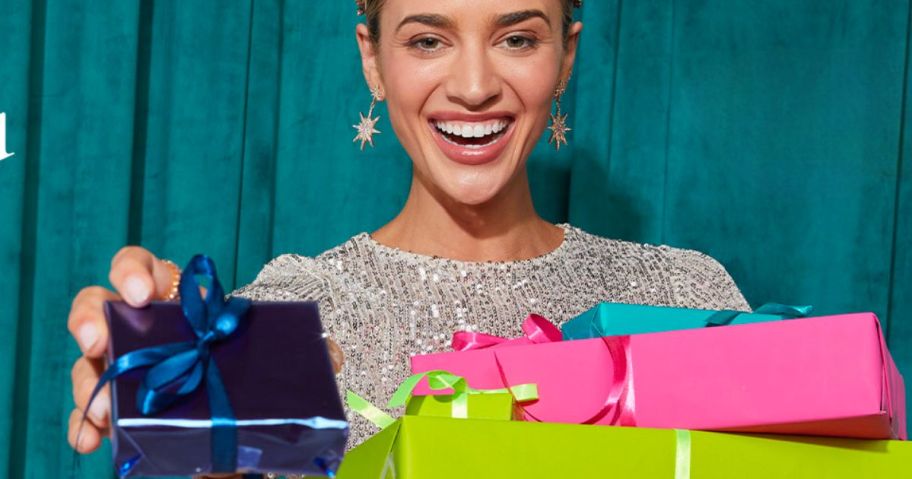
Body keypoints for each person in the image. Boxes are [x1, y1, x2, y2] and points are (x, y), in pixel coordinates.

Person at [67, 0, 750, 467]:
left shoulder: (683, 300)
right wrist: (169, 397)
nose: (476, 85)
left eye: (517, 37)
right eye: (428, 39)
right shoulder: (283, 317)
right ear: (372, 58)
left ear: (566, 56)